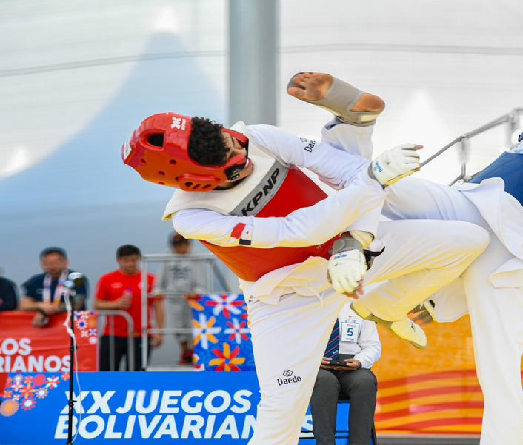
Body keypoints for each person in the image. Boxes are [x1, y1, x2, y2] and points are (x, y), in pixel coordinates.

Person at [123, 72, 491, 444]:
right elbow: (298, 230)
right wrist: (371, 182)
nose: (244, 158)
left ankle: (386, 306)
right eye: (232, 166)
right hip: (287, 301)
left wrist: (356, 238)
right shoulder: (192, 218)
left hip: (354, 256)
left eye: (234, 143)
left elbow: (350, 174)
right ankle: (351, 127)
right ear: (192, 182)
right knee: (281, 418)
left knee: (468, 241)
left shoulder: (257, 137)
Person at [326, 74, 523, 445]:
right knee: (501, 371)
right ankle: (347, 129)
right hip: (476, 220)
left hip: (489, 240)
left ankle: (344, 136)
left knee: (380, 185)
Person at [311, 304, 381, 445]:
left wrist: (359, 361)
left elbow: (373, 346)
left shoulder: (361, 306)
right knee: (325, 381)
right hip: (315, 365)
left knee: (365, 381)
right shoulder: (306, 304)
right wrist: (312, 359)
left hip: (350, 364)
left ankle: (360, 442)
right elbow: (292, 343)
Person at [94, 244, 162, 371]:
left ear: (139, 259)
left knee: (137, 373)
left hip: (141, 334)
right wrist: (116, 304)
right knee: (107, 371)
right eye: (126, 260)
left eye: (134, 260)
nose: (130, 264)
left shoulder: (150, 279)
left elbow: (158, 306)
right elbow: (97, 305)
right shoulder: (107, 279)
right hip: (113, 334)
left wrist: (159, 331)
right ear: (118, 260)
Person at [152, 232, 206, 365]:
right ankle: (185, 352)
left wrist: (197, 291)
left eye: (183, 245)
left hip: (192, 299)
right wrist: (158, 290)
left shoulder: (196, 258)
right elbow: (160, 279)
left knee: (193, 326)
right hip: (174, 298)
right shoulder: (167, 257)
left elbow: (202, 280)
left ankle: (194, 352)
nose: (180, 248)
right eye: (177, 246)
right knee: (178, 327)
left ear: (188, 245)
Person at [19, 247, 88, 327]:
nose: (52, 267)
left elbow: (77, 304)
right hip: (44, 328)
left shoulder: (77, 278)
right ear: (41, 264)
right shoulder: (35, 281)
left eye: (56, 263)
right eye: (47, 263)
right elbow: (24, 305)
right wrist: (40, 305)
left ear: (66, 262)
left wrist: (46, 311)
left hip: (73, 325)